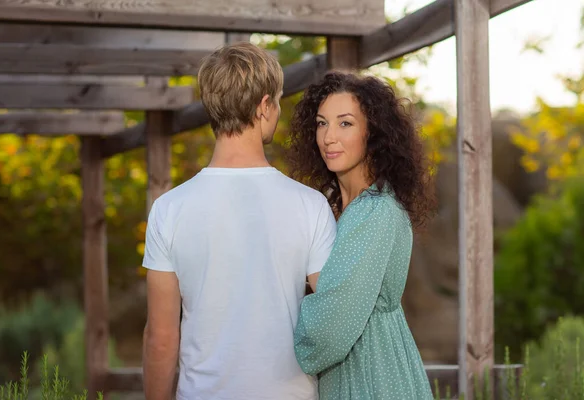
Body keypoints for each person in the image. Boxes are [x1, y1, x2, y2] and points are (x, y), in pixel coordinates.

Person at [141, 42, 337, 400]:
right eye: (276, 100)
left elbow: (162, 337)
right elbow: (332, 323)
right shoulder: (310, 205)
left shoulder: (168, 209)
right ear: (264, 106)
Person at [288, 71, 436, 399]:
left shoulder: (375, 211)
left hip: (373, 375)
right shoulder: (336, 208)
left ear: (373, 132)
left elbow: (330, 328)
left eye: (345, 123)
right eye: (321, 123)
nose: (328, 137)